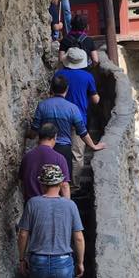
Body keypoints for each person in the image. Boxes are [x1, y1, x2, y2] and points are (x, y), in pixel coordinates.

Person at [29, 75, 105, 181]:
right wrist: (93, 146)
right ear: (67, 89)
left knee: (43, 180)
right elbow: (82, 132)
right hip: (63, 149)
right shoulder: (72, 108)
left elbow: (34, 130)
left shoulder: (42, 105)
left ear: (51, 88)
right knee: (63, 181)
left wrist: (29, 135)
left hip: (44, 148)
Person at [56, 49, 100, 185]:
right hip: (79, 119)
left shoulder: (59, 74)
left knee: (59, 152)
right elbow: (95, 100)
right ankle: (73, 185)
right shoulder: (87, 77)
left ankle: (58, 183)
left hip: (59, 117)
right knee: (77, 154)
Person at [19, 122, 71, 202]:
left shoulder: (27, 157)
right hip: (52, 205)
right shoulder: (59, 158)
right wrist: (67, 206)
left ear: (39, 137)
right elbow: (64, 185)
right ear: (54, 137)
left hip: (31, 203)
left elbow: (22, 182)